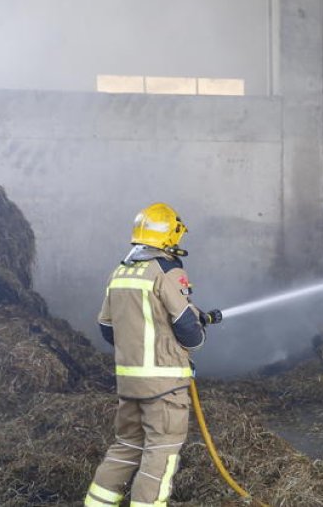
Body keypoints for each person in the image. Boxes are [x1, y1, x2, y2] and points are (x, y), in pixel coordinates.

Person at [85, 203, 221, 507]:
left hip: (129, 385)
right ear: (170, 237)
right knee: (161, 452)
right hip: (165, 386)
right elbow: (190, 333)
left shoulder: (120, 272)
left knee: (126, 446)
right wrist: (196, 331)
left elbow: (108, 329)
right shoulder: (167, 272)